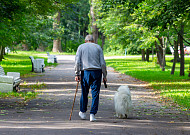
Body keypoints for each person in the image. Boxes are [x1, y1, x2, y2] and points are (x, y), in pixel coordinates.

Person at [74, 35, 107, 122]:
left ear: (85, 41)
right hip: (97, 72)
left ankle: (83, 112)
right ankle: (92, 114)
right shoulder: (98, 47)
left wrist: (77, 74)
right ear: (93, 40)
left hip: (85, 72)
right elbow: (103, 63)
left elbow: (77, 62)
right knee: (95, 93)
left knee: (84, 92)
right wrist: (105, 75)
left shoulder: (81, 47)